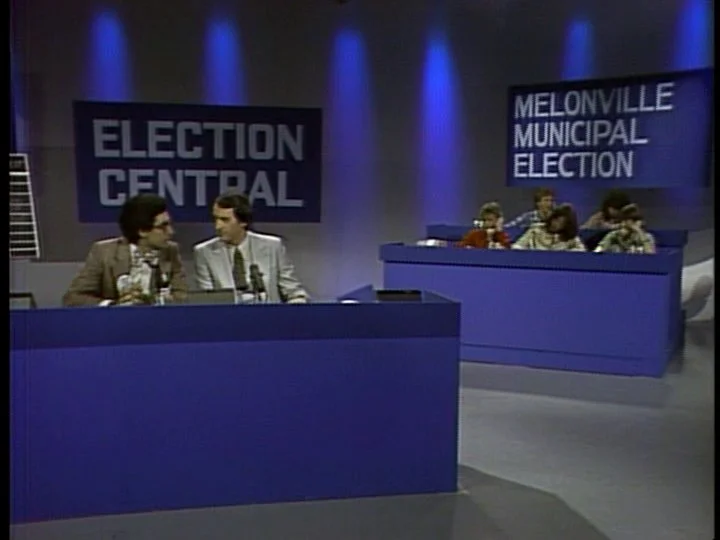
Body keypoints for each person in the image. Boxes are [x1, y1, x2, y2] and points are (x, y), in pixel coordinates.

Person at [63, 194, 188, 306]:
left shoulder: (171, 251)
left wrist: (155, 301)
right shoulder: (104, 252)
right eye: (163, 227)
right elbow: (74, 298)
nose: (171, 232)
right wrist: (114, 306)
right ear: (142, 231)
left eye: (170, 224)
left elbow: (182, 297)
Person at [193, 192, 309, 303]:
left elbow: (294, 292)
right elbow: (208, 300)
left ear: (243, 222)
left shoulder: (273, 246)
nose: (218, 226)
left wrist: (296, 308)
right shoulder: (204, 252)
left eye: (225, 220)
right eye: (215, 219)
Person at [512, 203, 586, 251]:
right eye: (556, 220)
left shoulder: (570, 237)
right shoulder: (535, 230)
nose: (556, 224)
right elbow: (518, 245)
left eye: (561, 223)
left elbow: (582, 251)